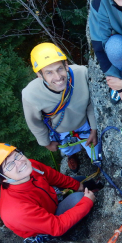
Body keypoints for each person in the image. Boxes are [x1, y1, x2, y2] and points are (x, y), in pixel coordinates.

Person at [0, 143, 97, 240]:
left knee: (81, 181)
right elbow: (57, 227)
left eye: (16, 156)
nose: (19, 163)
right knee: (79, 198)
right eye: (9, 165)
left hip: (51, 200)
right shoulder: (15, 210)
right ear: (3, 178)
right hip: (48, 227)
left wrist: (77, 186)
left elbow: (53, 176)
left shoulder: (30, 166)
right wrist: (87, 202)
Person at [22, 43, 98, 172]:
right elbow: (34, 122)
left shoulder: (82, 74)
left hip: (83, 123)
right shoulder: (31, 94)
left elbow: (92, 103)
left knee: (96, 154)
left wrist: (94, 130)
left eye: (59, 69)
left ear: (66, 66)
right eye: (49, 72)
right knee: (67, 148)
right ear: (40, 75)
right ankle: (71, 155)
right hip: (59, 130)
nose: (58, 77)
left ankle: (97, 165)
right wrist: (46, 143)